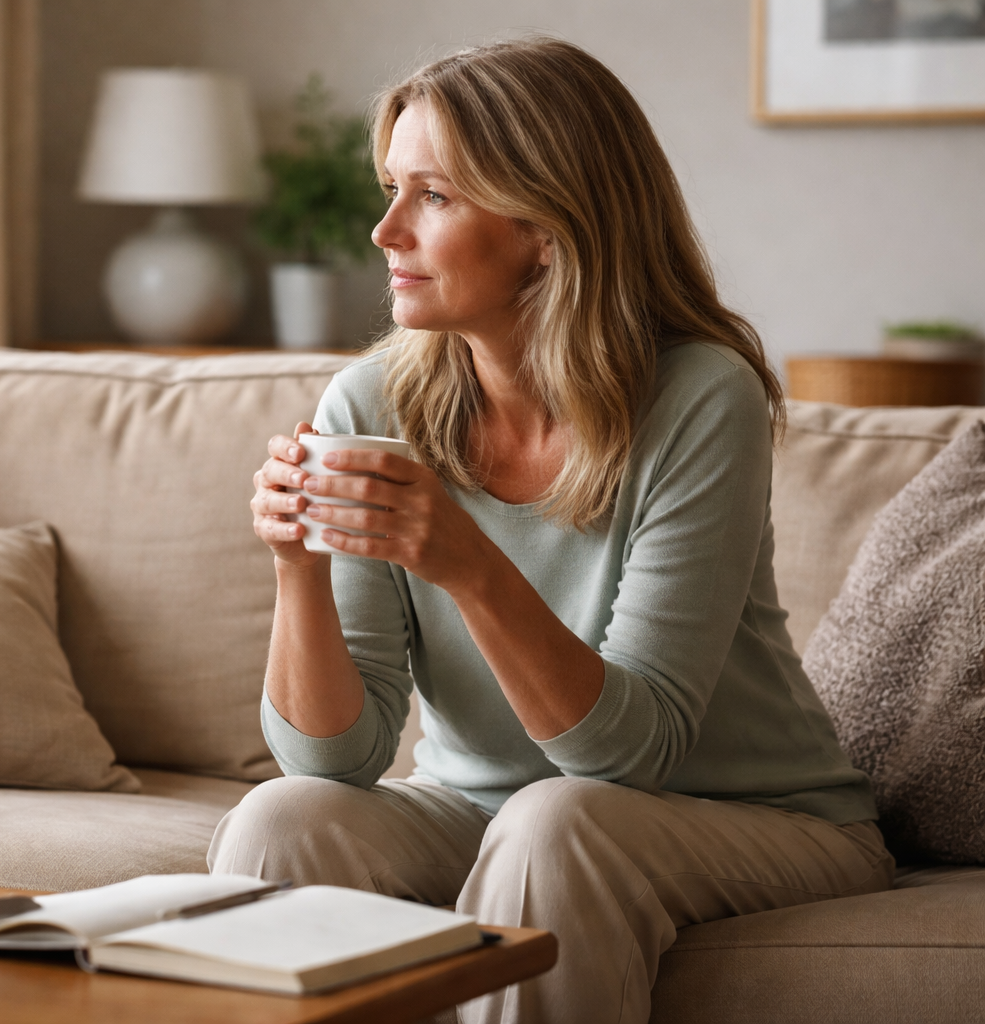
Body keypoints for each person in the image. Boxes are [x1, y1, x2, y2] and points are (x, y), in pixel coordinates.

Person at [212, 37, 892, 1024]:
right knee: (282, 818)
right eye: (391, 188)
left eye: (433, 196)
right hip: (483, 812)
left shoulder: (702, 396)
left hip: (752, 817)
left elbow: (631, 755)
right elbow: (336, 762)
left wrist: (468, 563)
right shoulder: (371, 401)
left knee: (557, 822)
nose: (384, 229)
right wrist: (297, 567)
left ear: (547, 224)